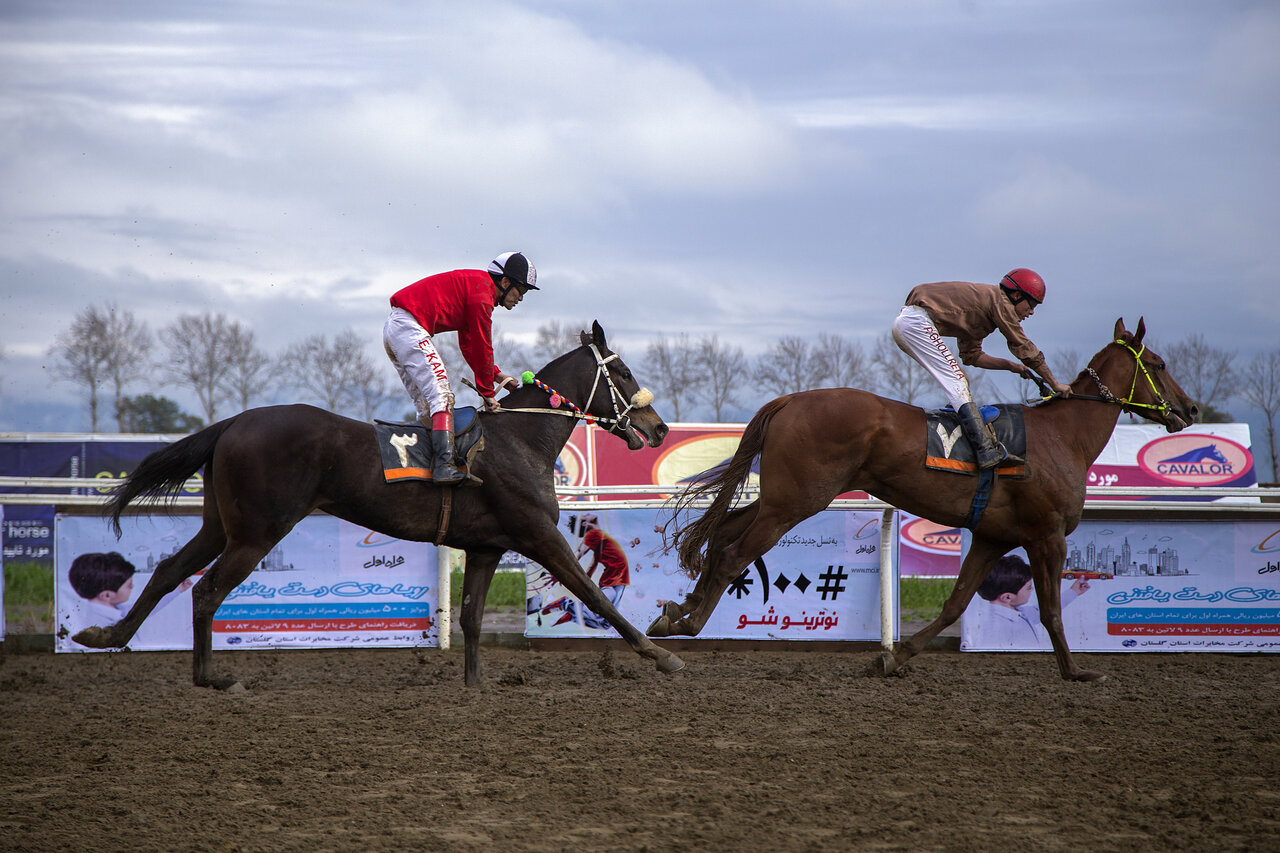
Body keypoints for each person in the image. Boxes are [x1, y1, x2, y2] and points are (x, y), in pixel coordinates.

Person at [891, 268, 1071, 469]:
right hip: (917, 323)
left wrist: (1010, 366)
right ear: (1017, 295)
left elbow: (972, 356)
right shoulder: (999, 301)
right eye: (1031, 305)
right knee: (957, 381)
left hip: (911, 323)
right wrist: (1054, 383)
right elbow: (1023, 346)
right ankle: (985, 451)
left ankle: (959, 425)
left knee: (960, 380)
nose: (1031, 313)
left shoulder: (983, 314)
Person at [383, 251, 537, 483]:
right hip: (408, 327)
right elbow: (483, 345)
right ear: (505, 282)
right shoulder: (482, 296)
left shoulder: (477, 289)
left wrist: (496, 376)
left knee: (427, 409)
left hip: (396, 328)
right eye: (521, 291)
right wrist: (487, 394)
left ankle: (427, 467)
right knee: (442, 397)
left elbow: (468, 345)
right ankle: (445, 467)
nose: (520, 298)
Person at [973, 554, 1089, 649]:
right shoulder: (996, 628)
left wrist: (1074, 591)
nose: (1032, 589)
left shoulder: (1018, 612)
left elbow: (1044, 609)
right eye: (1028, 587)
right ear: (1007, 597)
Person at [539, 514, 631, 629]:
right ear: (585, 523)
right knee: (604, 613)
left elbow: (593, 564)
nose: (588, 513)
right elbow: (578, 554)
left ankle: (572, 616)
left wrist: (586, 582)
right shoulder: (593, 534)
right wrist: (561, 571)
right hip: (612, 581)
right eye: (585, 515)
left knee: (606, 624)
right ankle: (565, 604)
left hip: (621, 580)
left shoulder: (599, 537)